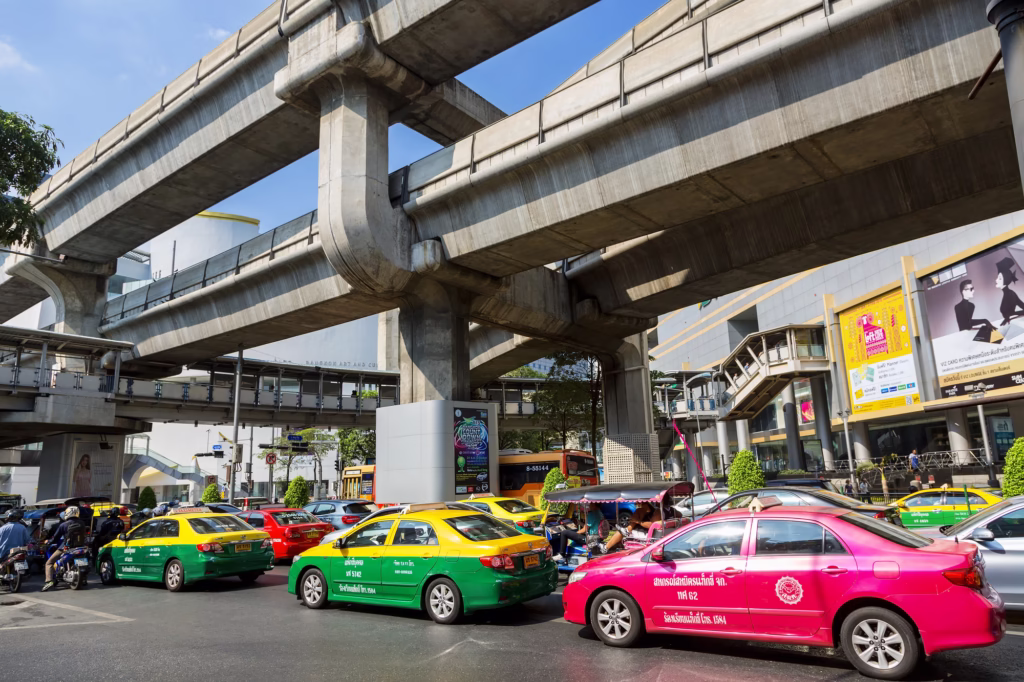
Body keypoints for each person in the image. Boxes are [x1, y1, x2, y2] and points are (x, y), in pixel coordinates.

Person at [43, 506, 85, 592]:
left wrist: (48, 542)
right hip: (80, 547)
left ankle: (49, 581)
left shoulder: (63, 525)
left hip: (66, 548)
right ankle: (84, 579)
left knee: (49, 563)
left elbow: (55, 538)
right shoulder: (82, 523)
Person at [995, 257, 1024, 326]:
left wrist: (1008, 318)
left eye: (999, 278)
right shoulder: (1009, 293)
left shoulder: (1010, 294)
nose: (996, 280)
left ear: (1006, 280)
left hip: (1013, 324)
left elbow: (1010, 313)